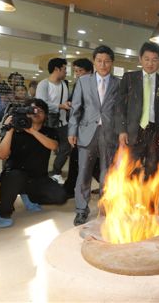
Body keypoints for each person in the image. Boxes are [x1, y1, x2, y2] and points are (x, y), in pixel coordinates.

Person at [0, 98, 67, 228]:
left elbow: (53, 146)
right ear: (25, 112)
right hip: (15, 175)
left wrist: (32, 131)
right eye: (32, 110)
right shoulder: (15, 130)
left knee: (60, 197)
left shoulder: (49, 131)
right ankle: (4, 213)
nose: (36, 112)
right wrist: (10, 129)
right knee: (14, 177)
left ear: (45, 115)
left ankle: (28, 195)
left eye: (40, 110)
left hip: (38, 178)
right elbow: (1, 155)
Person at [68, 46, 120, 225]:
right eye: (99, 61)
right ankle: (81, 210)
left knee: (108, 173)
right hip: (86, 132)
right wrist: (72, 131)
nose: (103, 64)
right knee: (84, 173)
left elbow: (121, 111)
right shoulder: (83, 81)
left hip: (110, 133)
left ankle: (105, 208)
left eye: (107, 61)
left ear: (112, 63)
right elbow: (76, 108)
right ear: (94, 62)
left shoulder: (118, 83)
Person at [116, 42, 159, 179]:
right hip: (134, 130)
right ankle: (131, 200)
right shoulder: (129, 78)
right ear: (140, 59)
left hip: (155, 131)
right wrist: (122, 130)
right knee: (131, 169)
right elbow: (120, 107)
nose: (150, 63)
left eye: (154, 60)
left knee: (153, 169)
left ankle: (149, 201)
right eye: (147, 59)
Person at [63, 58, 96, 198]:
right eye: (75, 71)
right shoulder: (80, 83)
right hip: (82, 128)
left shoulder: (90, 83)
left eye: (80, 71)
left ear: (89, 71)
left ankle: (71, 188)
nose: (77, 74)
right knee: (81, 160)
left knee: (81, 160)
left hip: (87, 128)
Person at [36, 58, 71, 184]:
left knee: (66, 147)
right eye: (64, 69)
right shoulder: (44, 84)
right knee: (43, 148)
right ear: (57, 69)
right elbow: (41, 103)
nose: (66, 72)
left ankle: (56, 172)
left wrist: (66, 104)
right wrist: (60, 106)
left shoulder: (64, 84)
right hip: (46, 122)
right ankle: (40, 174)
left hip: (62, 122)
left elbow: (63, 101)